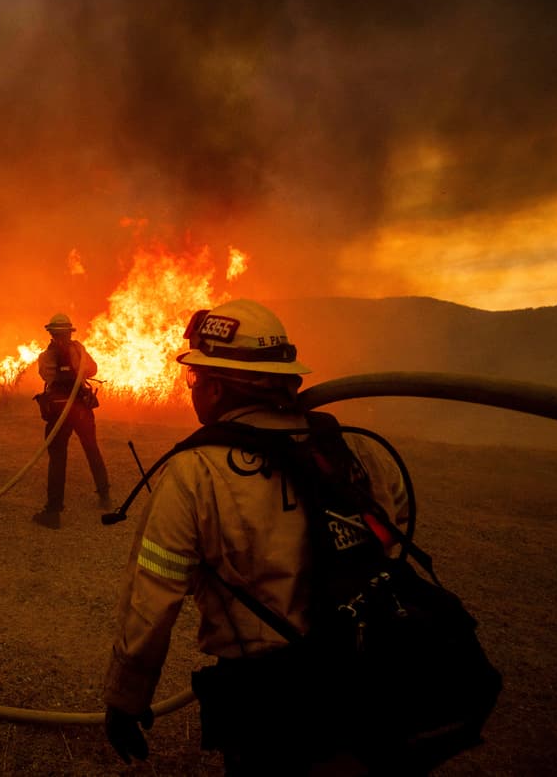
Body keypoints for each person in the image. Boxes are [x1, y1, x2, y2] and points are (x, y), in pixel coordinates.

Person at [101, 299, 410, 775]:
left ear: (217, 388)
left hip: (271, 704)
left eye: (194, 378)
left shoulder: (196, 472)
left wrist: (127, 698)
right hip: (374, 674)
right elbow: (397, 534)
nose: (192, 388)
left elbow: (153, 597)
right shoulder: (355, 449)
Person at [31, 313, 111, 529]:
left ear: (50, 333)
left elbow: (46, 377)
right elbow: (92, 369)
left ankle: (53, 512)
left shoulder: (45, 357)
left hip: (59, 410)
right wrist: (77, 369)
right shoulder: (79, 350)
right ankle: (105, 497)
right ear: (69, 332)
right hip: (81, 407)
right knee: (92, 449)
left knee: (57, 458)